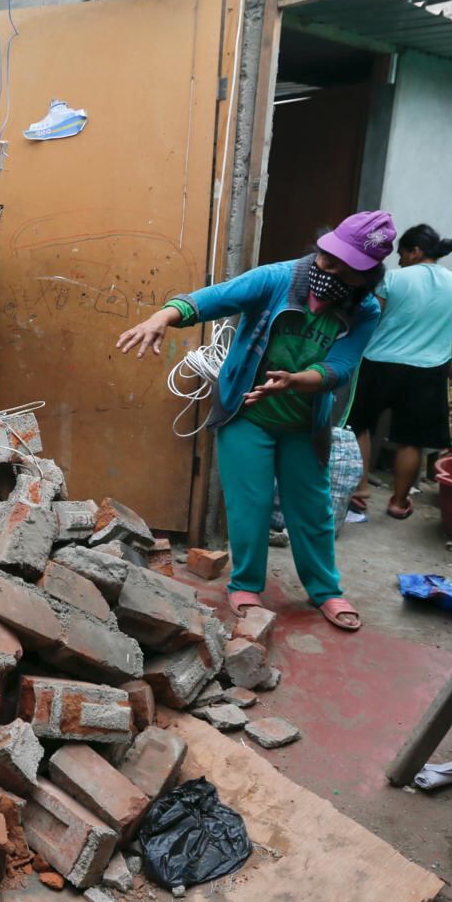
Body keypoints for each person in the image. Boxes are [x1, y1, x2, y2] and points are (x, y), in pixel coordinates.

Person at [116, 211, 396, 632]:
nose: (327, 267)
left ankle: (325, 590)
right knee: (251, 504)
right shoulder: (277, 278)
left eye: (343, 266)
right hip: (246, 413)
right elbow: (215, 298)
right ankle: (246, 584)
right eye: (327, 255)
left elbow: (341, 365)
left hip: (306, 421)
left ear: (366, 275)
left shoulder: (366, 309)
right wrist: (163, 317)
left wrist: (297, 382)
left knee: (312, 510)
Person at [348, 224, 452, 519]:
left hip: (379, 363)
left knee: (360, 426)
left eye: (402, 253)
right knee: (411, 439)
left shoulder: (392, 279)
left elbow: (370, 318)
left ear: (415, 251)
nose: (400, 260)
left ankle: (359, 491)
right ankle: (397, 502)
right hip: (430, 370)